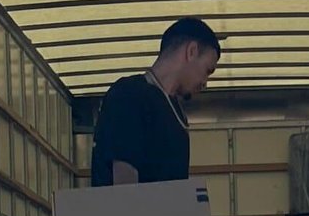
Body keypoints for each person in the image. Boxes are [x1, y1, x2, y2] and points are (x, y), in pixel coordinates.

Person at [90, 18, 221, 185]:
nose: (204, 83)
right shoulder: (129, 94)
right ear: (192, 51)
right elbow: (124, 187)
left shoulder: (177, 114)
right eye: (207, 70)